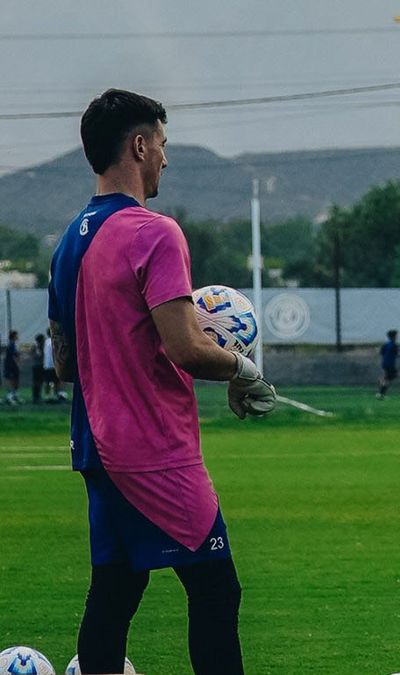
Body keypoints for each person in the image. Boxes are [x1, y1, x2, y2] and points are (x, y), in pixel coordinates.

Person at [47, 88, 277, 675]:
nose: (166, 160)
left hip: (94, 448)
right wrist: (243, 370)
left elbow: (64, 365)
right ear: (140, 145)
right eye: (163, 146)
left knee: (115, 595)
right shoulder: (154, 232)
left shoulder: (69, 241)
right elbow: (185, 348)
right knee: (216, 592)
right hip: (152, 448)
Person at [42, 332, 66, 402]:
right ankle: (56, 394)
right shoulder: (52, 341)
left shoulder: (46, 342)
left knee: (48, 381)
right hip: (53, 365)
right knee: (56, 381)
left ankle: (48, 395)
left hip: (47, 365)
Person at [377, 328, 399, 399]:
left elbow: (381, 353)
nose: (397, 337)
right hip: (390, 364)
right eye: (396, 336)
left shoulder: (385, 345)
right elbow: (397, 354)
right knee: (389, 378)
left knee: (389, 377)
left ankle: (381, 384)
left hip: (384, 363)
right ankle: (381, 394)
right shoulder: (394, 345)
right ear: (394, 337)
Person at [4, 330, 19, 404]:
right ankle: (9, 396)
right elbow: (13, 357)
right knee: (11, 381)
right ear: (13, 336)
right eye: (16, 335)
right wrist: (18, 364)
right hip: (10, 366)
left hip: (12, 366)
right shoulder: (11, 345)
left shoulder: (13, 345)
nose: (17, 337)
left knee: (14, 381)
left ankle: (14, 395)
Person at [31, 333, 46, 404]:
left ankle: (36, 396)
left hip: (37, 366)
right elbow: (39, 355)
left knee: (37, 382)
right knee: (38, 382)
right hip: (39, 366)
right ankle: (36, 396)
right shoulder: (39, 347)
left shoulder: (36, 347)